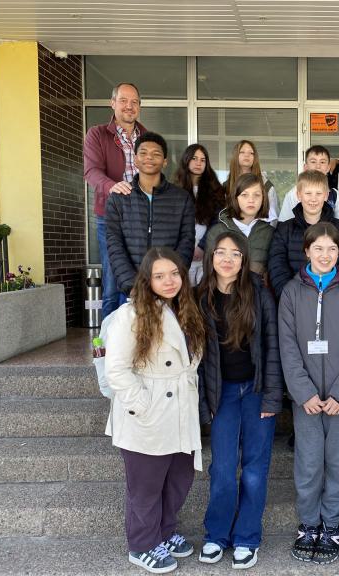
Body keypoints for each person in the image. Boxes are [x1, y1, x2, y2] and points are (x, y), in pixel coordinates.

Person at [104, 246, 206, 574]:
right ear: (147, 280)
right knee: (146, 486)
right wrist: (142, 406)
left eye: (174, 274)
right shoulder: (131, 315)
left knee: (178, 479)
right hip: (148, 413)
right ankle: (142, 545)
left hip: (180, 409)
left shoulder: (186, 309)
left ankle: (164, 532)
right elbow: (116, 369)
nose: (169, 281)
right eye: (159, 276)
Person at [278, 222, 339, 565]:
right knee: (309, 461)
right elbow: (288, 347)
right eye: (318, 248)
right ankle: (309, 523)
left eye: (331, 249)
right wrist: (303, 392)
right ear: (307, 251)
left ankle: (331, 523)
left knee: (337, 461)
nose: (325, 255)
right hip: (307, 399)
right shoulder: (291, 292)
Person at [197, 231, 282, 570]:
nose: (228, 259)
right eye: (221, 252)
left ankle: (247, 537)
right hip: (222, 394)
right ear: (211, 257)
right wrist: (205, 402)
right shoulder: (200, 296)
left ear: (244, 259)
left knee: (254, 470)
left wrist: (272, 397)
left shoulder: (259, 293)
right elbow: (197, 358)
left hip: (256, 390)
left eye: (235, 253)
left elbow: (273, 346)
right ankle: (216, 534)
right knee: (222, 468)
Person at [105, 132, 195, 300]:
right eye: (144, 153)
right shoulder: (119, 198)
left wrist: (170, 279)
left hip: (168, 289)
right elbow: (114, 242)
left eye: (156, 154)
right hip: (132, 290)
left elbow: (187, 241)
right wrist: (131, 284)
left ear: (165, 161)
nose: (149, 157)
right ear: (135, 159)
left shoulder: (181, 198)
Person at [83, 82, 146, 318]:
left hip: (142, 218)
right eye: (123, 100)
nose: (129, 106)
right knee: (112, 282)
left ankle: (138, 335)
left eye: (134, 102)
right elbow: (91, 171)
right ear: (113, 103)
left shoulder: (147, 137)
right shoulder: (98, 134)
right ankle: (107, 339)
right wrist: (113, 186)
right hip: (111, 217)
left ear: (139, 106)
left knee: (141, 280)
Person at [268, 170, 339, 299]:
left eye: (318, 193)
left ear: (326, 195)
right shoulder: (284, 230)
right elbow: (277, 268)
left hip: (332, 300)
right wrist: (290, 298)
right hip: (293, 301)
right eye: (308, 193)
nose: (313, 199)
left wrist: (331, 298)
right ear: (299, 195)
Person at [204, 173, 275, 277]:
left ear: (263, 198)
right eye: (244, 195)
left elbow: (274, 271)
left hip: (258, 287)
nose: (251, 200)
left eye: (256, 195)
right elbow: (208, 271)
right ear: (235, 198)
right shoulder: (217, 231)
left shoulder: (271, 233)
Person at [174, 144, 226, 285]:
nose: (198, 163)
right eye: (194, 158)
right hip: (181, 254)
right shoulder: (174, 190)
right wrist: (186, 248)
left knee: (205, 292)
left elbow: (218, 221)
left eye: (203, 160)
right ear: (186, 160)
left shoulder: (215, 189)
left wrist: (203, 246)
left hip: (207, 253)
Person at [225, 140, 279, 225]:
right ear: (235, 156)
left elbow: (273, 219)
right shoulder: (226, 186)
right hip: (231, 231)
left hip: (261, 231)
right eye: (242, 152)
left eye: (251, 153)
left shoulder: (266, 185)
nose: (247, 155)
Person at [278, 145, 332, 222]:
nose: (318, 166)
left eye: (322, 162)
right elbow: (284, 223)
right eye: (313, 162)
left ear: (328, 167)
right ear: (305, 167)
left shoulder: (336, 197)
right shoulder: (293, 195)